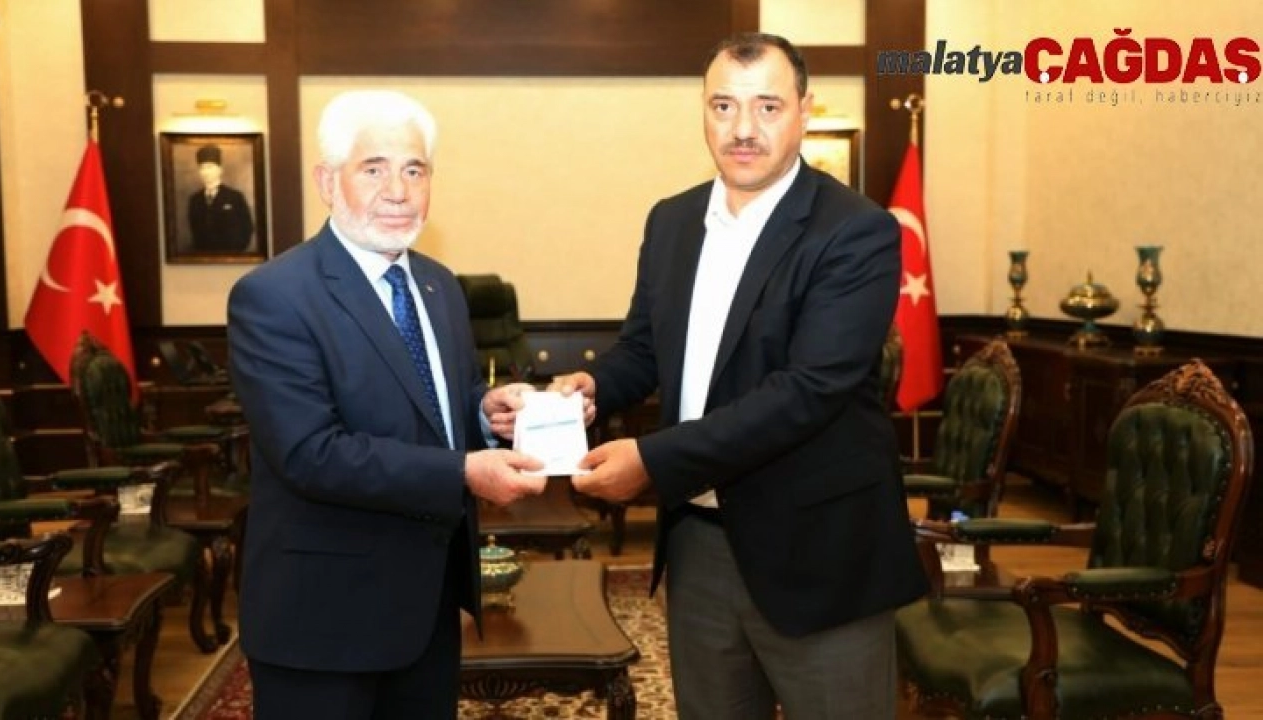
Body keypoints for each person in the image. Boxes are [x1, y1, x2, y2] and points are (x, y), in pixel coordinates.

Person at [552, 33, 928, 719]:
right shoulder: (672, 221)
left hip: (818, 551)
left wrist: (652, 461)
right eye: (723, 106)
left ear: (804, 111)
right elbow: (643, 349)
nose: (743, 129)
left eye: (767, 107)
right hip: (699, 544)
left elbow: (806, 393)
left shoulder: (856, 230)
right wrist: (594, 388)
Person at [227, 89, 545, 720]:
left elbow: (436, 403)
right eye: (373, 169)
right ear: (327, 182)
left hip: (427, 610)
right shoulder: (273, 296)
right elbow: (311, 454)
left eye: (415, 170)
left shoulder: (438, 284)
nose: (398, 191)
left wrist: (486, 414)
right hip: (322, 623)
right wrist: (463, 471)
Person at [187, 143, 254, 252]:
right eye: (202, 168)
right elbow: (195, 232)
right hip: (202, 257)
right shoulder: (195, 200)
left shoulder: (235, 197)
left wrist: (235, 253)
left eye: (210, 167)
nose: (206, 172)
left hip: (231, 255)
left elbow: (247, 228)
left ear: (220, 169)